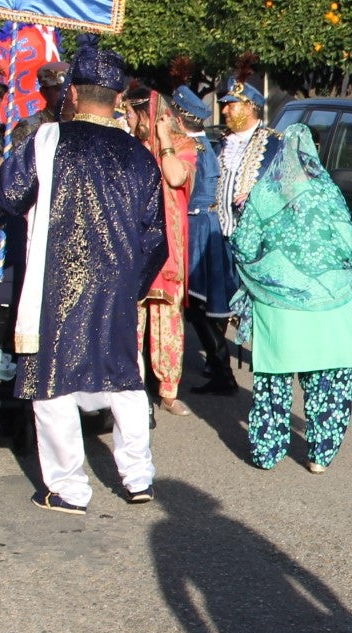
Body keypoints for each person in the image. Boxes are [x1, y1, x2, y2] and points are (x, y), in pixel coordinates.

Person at [0, 36, 166, 512]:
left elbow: (10, 195)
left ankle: (70, 488)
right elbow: (156, 236)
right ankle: (138, 479)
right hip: (116, 283)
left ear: (72, 94)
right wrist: (130, 287)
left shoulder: (46, 142)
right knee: (124, 380)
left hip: (55, 284)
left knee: (51, 383)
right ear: (117, 99)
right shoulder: (140, 156)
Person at [230, 121, 352, 473]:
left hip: (277, 306)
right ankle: (320, 454)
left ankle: (267, 451)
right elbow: (350, 245)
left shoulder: (265, 194)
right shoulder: (328, 193)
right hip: (329, 306)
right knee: (327, 381)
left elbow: (243, 244)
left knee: (273, 380)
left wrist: (270, 269)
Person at [191, 73, 276, 397]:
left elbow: (292, 190)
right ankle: (221, 369)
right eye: (224, 105)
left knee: (258, 314)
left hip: (258, 246)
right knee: (204, 306)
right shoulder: (218, 143)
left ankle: (270, 377)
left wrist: (260, 194)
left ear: (250, 106)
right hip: (218, 236)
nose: (224, 111)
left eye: (231, 105)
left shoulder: (274, 144)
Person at [126, 86, 197, 417]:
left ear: (146, 114)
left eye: (130, 112)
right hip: (134, 245)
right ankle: (130, 386)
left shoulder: (182, 146)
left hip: (168, 248)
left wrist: (164, 138)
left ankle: (168, 390)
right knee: (131, 319)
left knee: (168, 320)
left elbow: (174, 176)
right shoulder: (130, 147)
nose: (125, 118)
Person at [169, 84, 234, 388]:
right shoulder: (206, 144)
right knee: (207, 301)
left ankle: (221, 368)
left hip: (197, 225)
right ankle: (217, 364)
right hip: (208, 222)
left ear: (179, 119)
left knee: (197, 303)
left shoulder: (193, 149)